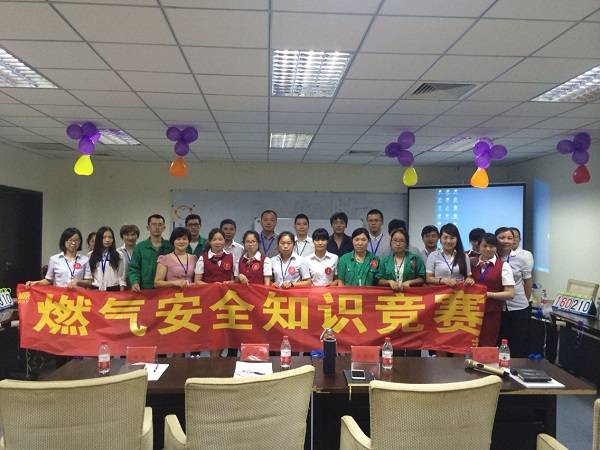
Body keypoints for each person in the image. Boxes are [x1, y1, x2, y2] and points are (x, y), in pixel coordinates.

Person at [496, 227, 534, 357]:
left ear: (514, 240)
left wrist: (525, 301)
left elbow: (528, 282)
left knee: (518, 343)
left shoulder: (521, 258)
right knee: (500, 343)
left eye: (509, 238)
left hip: (519, 307)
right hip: (498, 308)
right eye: (502, 238)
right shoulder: (492, 258)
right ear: (496, 239)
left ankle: (517, 369)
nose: (506, 241)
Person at [471, 233, 515, 347]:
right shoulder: (472, 264)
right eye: (484, 246)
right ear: (478, 247)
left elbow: (510, 294)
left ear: (496, 248)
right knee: (469, 345)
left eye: (492, 246)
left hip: (491, 313)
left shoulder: (503, 266)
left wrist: (487, 294)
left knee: (487, 345)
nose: (488, 249)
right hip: (471, 312)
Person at [26, 227, 92, 288]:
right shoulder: (54, 259)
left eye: (76, 240)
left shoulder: (85, 260)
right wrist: (36, 283)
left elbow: (89, 282)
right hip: (60, 295)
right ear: (64, 241)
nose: (73, 243)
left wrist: (77, 282)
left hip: (78, 296)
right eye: (70, 240)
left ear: (80, 242)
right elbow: (48, 280)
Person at [128, 214, 173, 292]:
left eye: (160, 224)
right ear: (148, 227)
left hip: (167, 289)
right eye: (154, 224)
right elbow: (134, 268)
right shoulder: (140, 247)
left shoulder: (170, 246)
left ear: (164, 228)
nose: (157, 227)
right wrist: (135, 282)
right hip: (145, 289)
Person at [425, 223, 475, 288]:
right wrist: (443, 280)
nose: (448, 241)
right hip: (439, 292)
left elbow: (469, 277)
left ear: (457, 239)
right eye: (445, 237)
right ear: (440, 239)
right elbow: (428, 278)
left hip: (459, 292)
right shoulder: (433, 255)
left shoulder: (464, 256)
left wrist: (470, 280)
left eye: (452, 238)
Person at [88, 226, 125, 291]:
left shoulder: (119, 254)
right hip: (96, 289)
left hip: (113, 289)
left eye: (110, 237)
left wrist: (122, 290)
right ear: (99, 239)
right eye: (104, 237)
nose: (107, 240)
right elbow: (90, 275)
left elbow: (121, 277)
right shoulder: (91, 255)